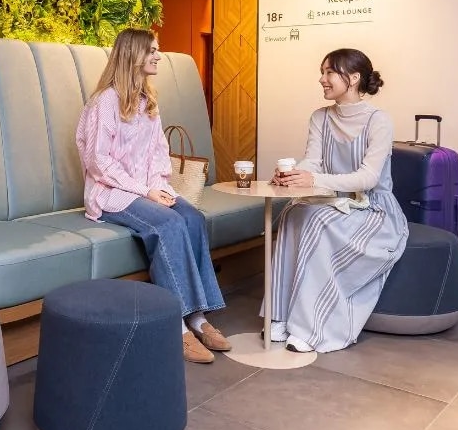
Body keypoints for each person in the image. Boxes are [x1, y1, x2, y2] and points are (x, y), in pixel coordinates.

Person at [75, 28, 231, 364]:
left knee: (192, 218)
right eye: (153, 51)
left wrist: (160, 187)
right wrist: (145, 191)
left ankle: (198, 317)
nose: (159, 56)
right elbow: (98, 161)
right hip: (112, 194)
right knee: (168, 224)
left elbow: (159, 151)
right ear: (133, 55)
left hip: (146, 190)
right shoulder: (105, 101)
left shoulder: (148, 101)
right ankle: (178, 327)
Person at [268, 48, 410, 353]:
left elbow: (368, 178)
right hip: (333, 200)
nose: (322, 79)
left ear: (354, 78)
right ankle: (278, 316)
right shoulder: (320, 117)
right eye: (322, 72)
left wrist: (314, 180)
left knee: (317, 221)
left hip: (373, 208)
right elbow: (313, 162)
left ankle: (311, 327)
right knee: (292, 212)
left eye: (329, 72)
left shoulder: (378, 121)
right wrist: (293, 175)